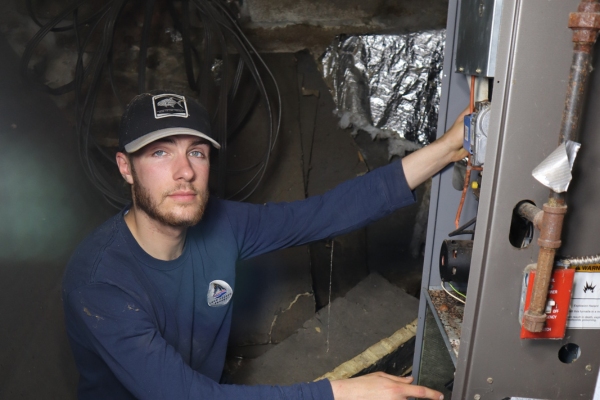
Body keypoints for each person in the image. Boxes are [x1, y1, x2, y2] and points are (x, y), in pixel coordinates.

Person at [62, 90, 467, 400]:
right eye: (160, 152)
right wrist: (341, 392)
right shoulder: (101, 284)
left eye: (197, 152)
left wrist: (447, 148)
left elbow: (324, 213)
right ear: (125, 168)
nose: (184, 171)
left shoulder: (221, 224)